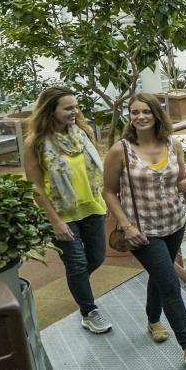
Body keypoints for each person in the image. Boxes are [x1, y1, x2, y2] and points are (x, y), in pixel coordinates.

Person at [104, 94, 186, 367]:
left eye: (146, 112)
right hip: (142, 231)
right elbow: (108, 191)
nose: (140, 117)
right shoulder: (121, 150)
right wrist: (126, 225)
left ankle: (153, 321)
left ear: (157, 115)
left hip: (174, 222)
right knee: (169, 283)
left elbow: (178, 183)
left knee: (159, 275)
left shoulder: (172, 144)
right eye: (134, 113)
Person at [23, 87, 112, 334]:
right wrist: (55, 222)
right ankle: (88, 311)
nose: (75, 111)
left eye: (76, 106)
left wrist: (105, 201)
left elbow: (95, 171)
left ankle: (78, 283)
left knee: (96, 258)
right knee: (76, 264)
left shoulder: (84, 132)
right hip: (61, 214)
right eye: (68, 107)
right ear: (51, 110)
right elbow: (35, 187)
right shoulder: (36, 142)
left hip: (92, 206)